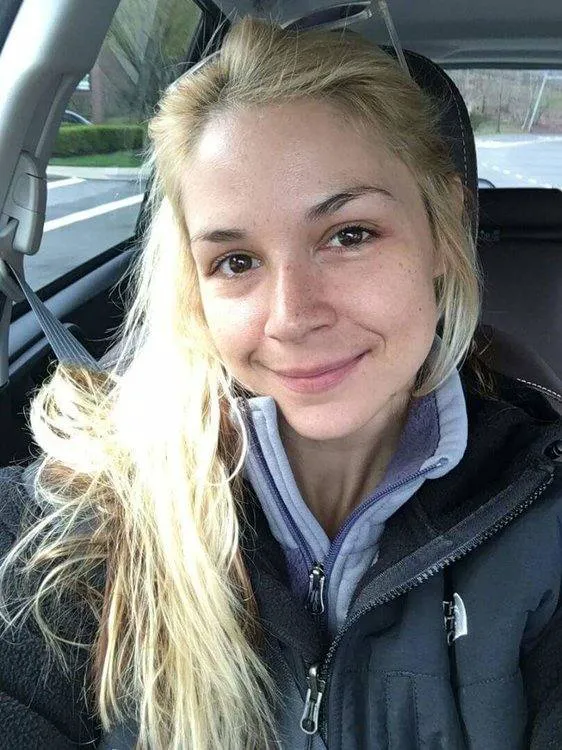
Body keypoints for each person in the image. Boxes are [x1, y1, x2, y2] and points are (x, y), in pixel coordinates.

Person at [0, 15, 561, 750]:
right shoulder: (76, 523)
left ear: (443, 230)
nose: (292, 318)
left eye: (349, 235)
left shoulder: (546, 520)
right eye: (236, 262)